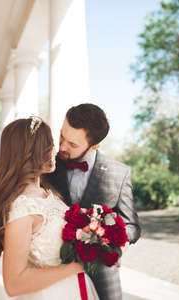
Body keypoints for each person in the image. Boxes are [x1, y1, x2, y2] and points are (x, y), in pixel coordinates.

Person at [0, 117, 99, 299]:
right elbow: (13, 283)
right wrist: (75, 267)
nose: (56, 150)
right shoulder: (23, 208)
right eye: (50, 145)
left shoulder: (45, 193)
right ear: (32, 152)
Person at [45, 103, 142, 300]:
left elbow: (132, 226)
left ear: (95, 145)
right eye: (62, 135)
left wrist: (105, 235)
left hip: (103, 276)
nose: (62, 146)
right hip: (55, 276)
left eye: (72, 144)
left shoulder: (119, 174)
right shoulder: (47, 166)